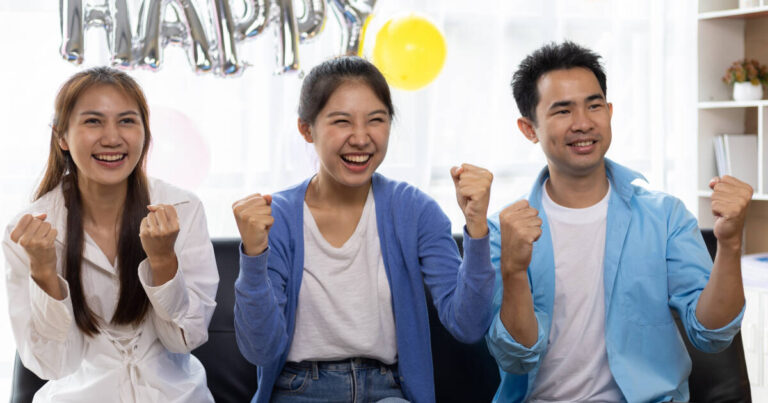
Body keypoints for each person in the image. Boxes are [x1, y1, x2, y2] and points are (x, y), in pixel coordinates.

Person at [486, 41, 753, 402]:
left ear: (609, 112)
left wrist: (731, 243)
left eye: (594, 105)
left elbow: (713, 333)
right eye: (562, 111)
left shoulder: (664, 216)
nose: (583, 123)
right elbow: (517, 357)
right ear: (528, 128)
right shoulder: (506, 231)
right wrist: (514, 271)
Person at [232, 56, 495, 403]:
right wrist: (253, 258)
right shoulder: (276, 217)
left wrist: (477, 228)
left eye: (376, 120)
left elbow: (468, 324)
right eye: (341, 121)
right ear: (306, 129)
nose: (361, 138)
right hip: (299, 390)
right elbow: (260, 350)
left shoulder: (414, 210)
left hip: (387, 391)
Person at [3, 67, 219, 402]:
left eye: (127, 121)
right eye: (93, 121)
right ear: (61, 136)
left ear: (145, 133)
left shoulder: (183, 208)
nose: (112, 137)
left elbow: (185, 339)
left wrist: (163, 261)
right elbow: (54, 365)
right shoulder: (28, 230)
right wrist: (44, 274)